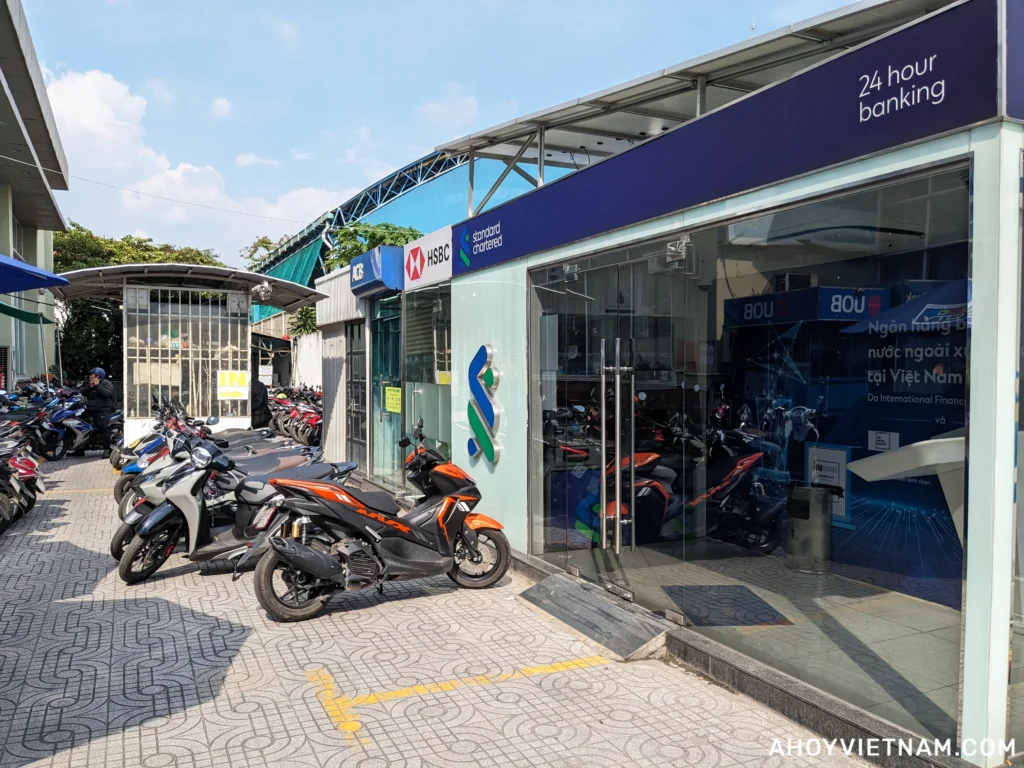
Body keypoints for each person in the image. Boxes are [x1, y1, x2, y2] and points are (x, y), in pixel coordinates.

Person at [74, 367, 116, 458]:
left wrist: (98, 386)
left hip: (103, 409)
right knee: (78, 423)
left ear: (97, 376)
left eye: (91, 374)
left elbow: (107, 393)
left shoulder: (106, 383)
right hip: (91, 409)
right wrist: (90, 387)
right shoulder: (91, 384)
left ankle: (106, 450)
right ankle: (79, 449)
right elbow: (82, 392)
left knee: (102, 427)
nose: (89, 376)